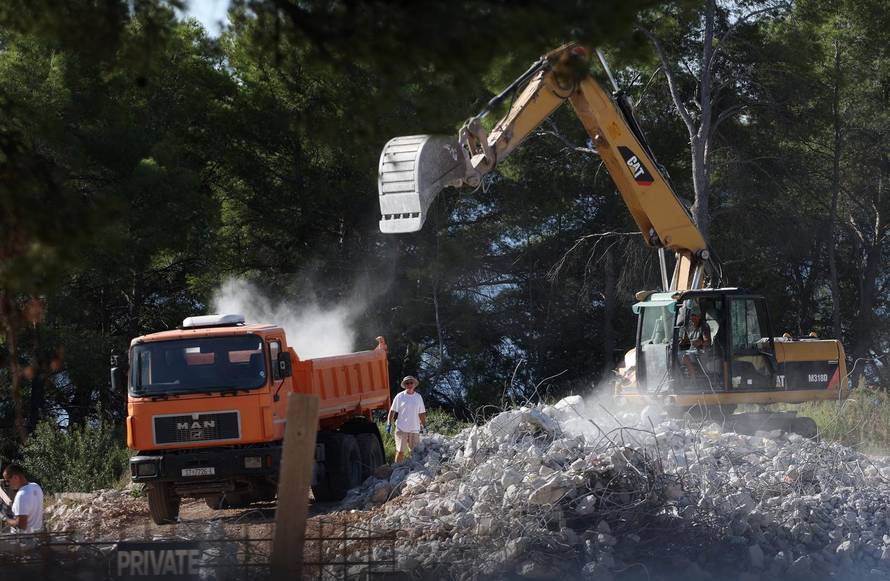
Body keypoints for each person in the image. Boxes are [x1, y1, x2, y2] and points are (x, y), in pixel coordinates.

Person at [387, 375, 427, 463]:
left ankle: (413, 470)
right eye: (407, 383)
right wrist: (389, 424)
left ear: (414, 384)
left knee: (415, 452)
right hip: (402, 428)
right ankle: (397, 469)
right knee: (400, 451)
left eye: (411, 383)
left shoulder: (418, 397)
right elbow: (392, 410)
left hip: (414, 429)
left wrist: (424, 426)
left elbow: (422, 413)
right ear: (405, 385)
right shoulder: (400, 396)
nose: (409, 385)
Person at [2, 464, 44, 534]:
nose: (7, 484)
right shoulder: (36, 486)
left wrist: (5, 519)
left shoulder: (21, 495)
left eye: (7, 481)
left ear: (15, 477)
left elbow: (21, 525)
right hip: (37, 535)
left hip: (24, 540)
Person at [679, 307, 711, 378]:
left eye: (694, 316)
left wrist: (700, 342)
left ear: (699, 316)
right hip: (691, 351)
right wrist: (680, 341)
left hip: (702, 351)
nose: (692, 318)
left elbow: (707, 341)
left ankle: (693, 377)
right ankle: (680, 378)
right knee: (676, 355)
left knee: (685, 357)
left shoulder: (704, 326)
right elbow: (685, 340)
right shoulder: (689, 325)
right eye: (691, 316)